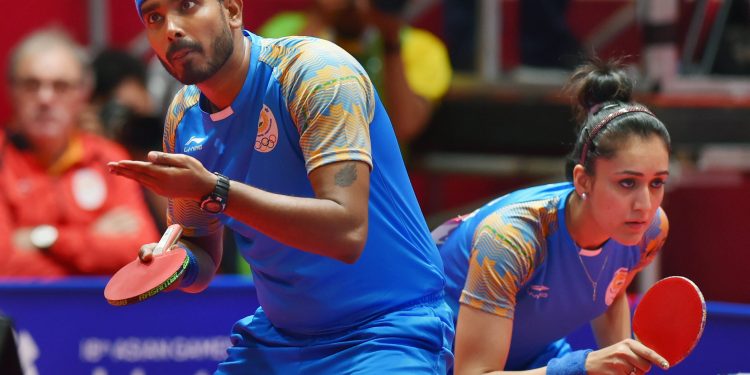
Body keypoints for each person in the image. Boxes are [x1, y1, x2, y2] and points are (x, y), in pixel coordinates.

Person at [109, 0, 454, 373]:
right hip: (278, 341)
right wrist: (173, 265)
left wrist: (217, 191)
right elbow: (202, 254)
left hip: (386, 332)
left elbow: (347, 233)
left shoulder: (317, 75)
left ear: (232, 9)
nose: (171, 28)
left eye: (188, 6)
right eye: (155, 18)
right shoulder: (183, 117)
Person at [434, 59, 673, 374]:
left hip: (529, 356)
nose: (645, 204)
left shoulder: (650, 230)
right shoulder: (511, 238)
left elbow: (610, 289)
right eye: (627, 183)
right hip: (426, 354)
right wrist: (581, 368)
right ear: (582, 181)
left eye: (656, 183)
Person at [0, 29, 160, 276]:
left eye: (60, 86)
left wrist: (44, 238)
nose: (45, 98)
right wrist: (94, 240)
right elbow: (6, 263)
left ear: (83, 94)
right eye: (31, 85)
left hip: (101, 313)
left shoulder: (109, 157)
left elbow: (141, 250)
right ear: (12, 90)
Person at [259, 0, 452, 144]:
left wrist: (391, 41)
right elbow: (264, 106)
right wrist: (321, 19)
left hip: (376, 178)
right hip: (292, 169)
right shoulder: (285, 30)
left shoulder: (421, 48)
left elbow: (405, 126)